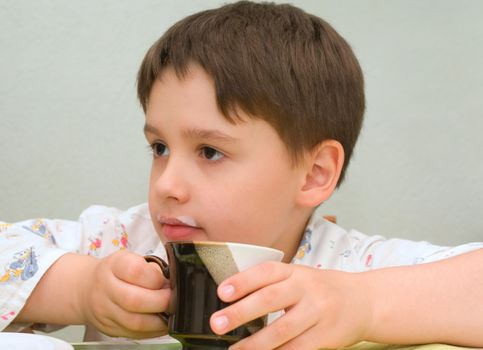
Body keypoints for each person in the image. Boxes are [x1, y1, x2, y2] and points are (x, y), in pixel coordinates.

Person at [1, 1, 483, 349]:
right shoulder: (122, 246)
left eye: (210, 151)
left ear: (314, 174)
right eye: (160, 148)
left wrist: (364, 306)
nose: (167, 183)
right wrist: (81, 291)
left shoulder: (350, 269)